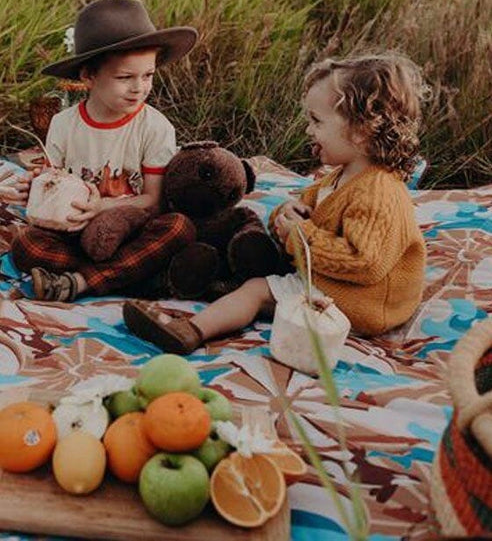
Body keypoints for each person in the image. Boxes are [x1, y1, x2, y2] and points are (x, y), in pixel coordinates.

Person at [123, 51, 428, 353]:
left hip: (363, 302)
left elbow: (364, 262)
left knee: (256, 291)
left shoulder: (379, 191)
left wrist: (298, 234)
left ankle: (190, 331)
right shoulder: (342, 176)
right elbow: (306, 209)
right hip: (334, 282)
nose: (308, 130)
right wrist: (286, 214)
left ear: (361, 131)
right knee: (250, 260)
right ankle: (210, 284)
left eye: (316, 121)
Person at [11, 0, 198, 302]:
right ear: (88, 76)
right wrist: (35, 190)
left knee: (179, 228)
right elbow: (53, 181)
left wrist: (102, 208)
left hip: (131, 231)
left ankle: (81, 281)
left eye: (148, 75)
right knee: (26, 245)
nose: (139, 88)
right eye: (125, 77)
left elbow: (154, 202)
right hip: (75, 231)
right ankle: (129, 276)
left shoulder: (155, 127)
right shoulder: (63, 124)